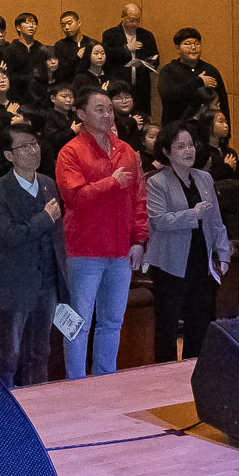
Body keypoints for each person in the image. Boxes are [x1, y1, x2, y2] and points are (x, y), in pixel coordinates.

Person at [54, 81, 146, 378]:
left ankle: (105, 379)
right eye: (99, 109)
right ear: (81, 114)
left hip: (121, 250)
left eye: (109, 109)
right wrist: (111, 183)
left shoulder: (127, 151)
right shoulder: (70, 152)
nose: (107, 115)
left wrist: (139, 240)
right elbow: (75, 197)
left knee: (112, 322)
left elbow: (139, 199)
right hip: (85, 251)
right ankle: (76, 383)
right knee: (78, 323)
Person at [0, 122, 67, 388]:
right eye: (24, 146)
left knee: (41, 351)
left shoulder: (47, 184)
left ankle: (37, 402)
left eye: (35, 144)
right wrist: (44, 218)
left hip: (46, 282)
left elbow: (58, 235)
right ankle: (5, 400)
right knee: (10, 352)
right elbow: (10, 236)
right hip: (14, 283)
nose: (33, 150)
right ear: (9, 155)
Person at [144, 120, 229, 360]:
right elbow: (159, 221)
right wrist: (194, 214)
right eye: (180, 146)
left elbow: (216, 220)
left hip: (200, 258)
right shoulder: (156, 182)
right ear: (166, 152)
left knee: (200, 319)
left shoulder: (204, 178)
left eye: (190, 145)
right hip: (169, 262)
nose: (188, 151)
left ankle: (194, 368)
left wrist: (222, 253)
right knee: (168, 323)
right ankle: (165, 373)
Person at [156, 27, 227, 126]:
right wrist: (199, 82)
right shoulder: (168, 71)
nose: (193, 48)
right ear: (177, 48)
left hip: (206, 130)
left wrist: (226, 133)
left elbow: (223, 102)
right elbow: (167, 94)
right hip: (176, 128)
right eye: (187, 44)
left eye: (197, 44)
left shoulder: (210, 70)